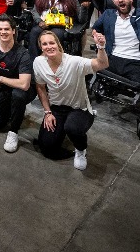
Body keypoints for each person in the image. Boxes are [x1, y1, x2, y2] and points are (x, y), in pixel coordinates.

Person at [33, 29, 109, 171]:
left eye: (51, 42)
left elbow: (102, 64)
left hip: (79, 108)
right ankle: (62, 132)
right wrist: (47, 112)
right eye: (44, 44)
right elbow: (41, 88)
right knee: (46, 147)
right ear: (41, 47)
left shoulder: (74, 62)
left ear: (58, 44)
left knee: (72, 128)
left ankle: (80, 150)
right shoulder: (38, 62)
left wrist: (101, 47)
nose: (49, 46)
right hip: (57, 108)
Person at [0, 16, 35, 152]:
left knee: (18, 96)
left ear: (13, 31)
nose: (3, 32)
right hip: (4, 87)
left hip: (24, 88)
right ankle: (12, 109)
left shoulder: (23, 54)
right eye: (0, 29)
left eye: (6, 29)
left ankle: (14, 132)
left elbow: (24, 84)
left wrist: (0, 79)